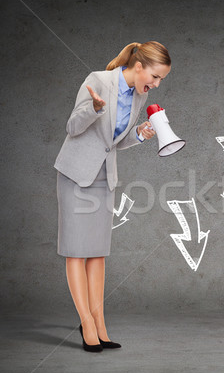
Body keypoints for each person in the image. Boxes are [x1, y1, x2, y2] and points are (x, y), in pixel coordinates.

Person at [53, 41, 171, 352]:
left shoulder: (139, 94)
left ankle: (100, 322)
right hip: (77, 174)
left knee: (97, 253)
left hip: (105, 177)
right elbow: (72, 126)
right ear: (139, 66)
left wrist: (139, 135)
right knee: (76, 252)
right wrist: (93, 108)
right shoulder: (98, 81)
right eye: (156, 76)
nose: (156, 85)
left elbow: (112, 143)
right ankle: (87, 324)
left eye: (161, 80)